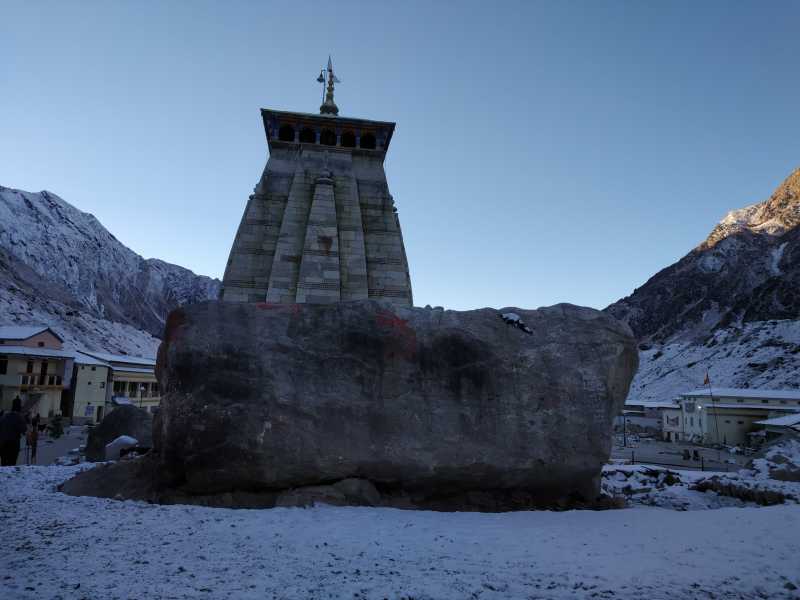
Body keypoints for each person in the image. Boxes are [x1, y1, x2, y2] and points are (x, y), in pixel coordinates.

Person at [0, 397, 27, 466]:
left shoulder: (4, 416)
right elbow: (24, 430)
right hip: (13, 444)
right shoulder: (19, 417)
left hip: (3, 443)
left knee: (4, 463)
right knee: (11, 463)